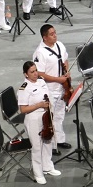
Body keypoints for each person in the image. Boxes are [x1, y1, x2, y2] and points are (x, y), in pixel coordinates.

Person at [17, 61, 61, 185]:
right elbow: (23, 109)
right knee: (37, 147)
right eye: (32, 72)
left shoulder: (41, 81)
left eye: (36, 70)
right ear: (26, 74)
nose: (36, 73)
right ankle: (38, 173)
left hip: (45, 116)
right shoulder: (24, 88)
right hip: (33, 119)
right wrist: (39, 105)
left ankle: (47, 166)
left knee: (47, 141)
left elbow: (48, 96)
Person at [33, 24, 72, 153]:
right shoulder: (40, 53)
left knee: (60, 114)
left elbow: (65, 59)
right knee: (50, 117)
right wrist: (57, 79)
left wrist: (66, 71)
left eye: (55, 33)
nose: (55, 35)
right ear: (44, 37)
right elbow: (40, 74)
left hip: (62, 87)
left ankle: (59, 139)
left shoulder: (59, 45)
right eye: (51, 34)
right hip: (49, 88)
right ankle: (52, 146)